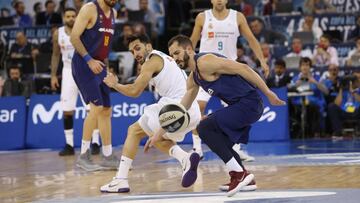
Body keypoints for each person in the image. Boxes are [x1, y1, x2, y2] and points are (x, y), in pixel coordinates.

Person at [165, 35, 285, 196]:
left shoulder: (206, 62)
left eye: (177, 53)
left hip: (249, 103)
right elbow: (183, 107)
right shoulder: (194, 78)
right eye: (172, 55)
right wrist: (161, 132)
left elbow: (244, 69)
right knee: (219, 139)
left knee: (205, 127)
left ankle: (239, 174)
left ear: (189, 49)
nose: (175, 58)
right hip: (239, 106)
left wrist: (268, 92)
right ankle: (245, 177)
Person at [100, 34, 202, 193]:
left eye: (138, 48)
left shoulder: (152, 61)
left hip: (177, 106)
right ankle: (185, 158)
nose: (135, 54)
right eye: (132, 52)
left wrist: (115, 84)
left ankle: (121, 180)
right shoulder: (164, 57)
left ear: (148, 46)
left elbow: (134, 91)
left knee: (134, 131)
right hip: (191, 111)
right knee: (154, 136)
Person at [190, 0, 270, 161]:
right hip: (205, 69)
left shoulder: (238, 17)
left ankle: (236, 147)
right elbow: (191, 43)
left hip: (229, 71)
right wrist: (189, 63)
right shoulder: (202, 17)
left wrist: (262, 60)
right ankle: (197, 149)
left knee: (238, 110)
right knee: (198, 107)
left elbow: (252, 39)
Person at [70, 0, 119, 171]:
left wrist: (107, 69)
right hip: (83, 63)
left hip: (100, 65)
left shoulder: (114, 14)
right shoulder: (89, 9)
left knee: (106, 110)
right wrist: (89, 60)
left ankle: (107, 155)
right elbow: (74, 37)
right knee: (96, 108)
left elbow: (105, 45)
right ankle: (84, 155)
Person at [50, 7, 101, 156]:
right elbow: (55, 55)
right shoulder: (57, 33)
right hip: (67, 72)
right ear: (63, 17)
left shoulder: (84, 29)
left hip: (84, 71)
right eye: (68, 16)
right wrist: (53, 75)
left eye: (73, 16)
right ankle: (69, 145)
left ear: (77, 16)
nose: (71, 18)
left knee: (91, 109)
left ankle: (96, 142)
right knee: (67, 110)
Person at [327, 71, 360, 139]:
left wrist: (353, 91)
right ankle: (338, 132)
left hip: (356, 111)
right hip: (344, 111)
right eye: (355, 79)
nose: (357, 81)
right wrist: (341, 88)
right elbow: (337, 103)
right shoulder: (343, 89)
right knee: (331, 106)